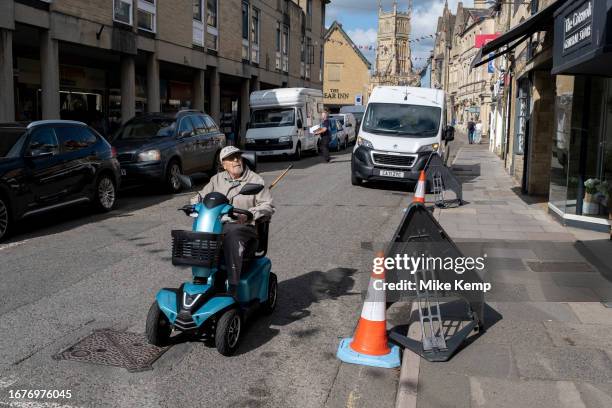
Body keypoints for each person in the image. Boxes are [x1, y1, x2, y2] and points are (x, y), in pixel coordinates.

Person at [191, 146, 275, 297]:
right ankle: (199, 281)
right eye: (231, 158)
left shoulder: (255, 180)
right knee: (199, 231)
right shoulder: (216, 180)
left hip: (245, 229)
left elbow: (268, 206)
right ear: (223, 164)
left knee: (231, 233)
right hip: (217, 227)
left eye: (238, 156)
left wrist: (249, 214)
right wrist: (193, 205)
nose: (236, 160)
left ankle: (233, 287)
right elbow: (201, 196)